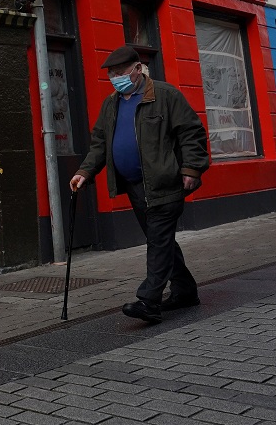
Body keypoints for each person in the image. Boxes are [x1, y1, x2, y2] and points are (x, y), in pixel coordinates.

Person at [69, 45, 209, 324]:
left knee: (157, 240)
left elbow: (191, 132)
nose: (115, 78)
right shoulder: (112, 103)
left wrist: (191, 169)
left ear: (136, 69)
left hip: (164, 182)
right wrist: (85, 171)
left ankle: (149, 301)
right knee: (161, 240)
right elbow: (100, 143)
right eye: (111, 74)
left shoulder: (165, 95)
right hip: (134, 186)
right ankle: (185, 291)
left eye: (119, 73)